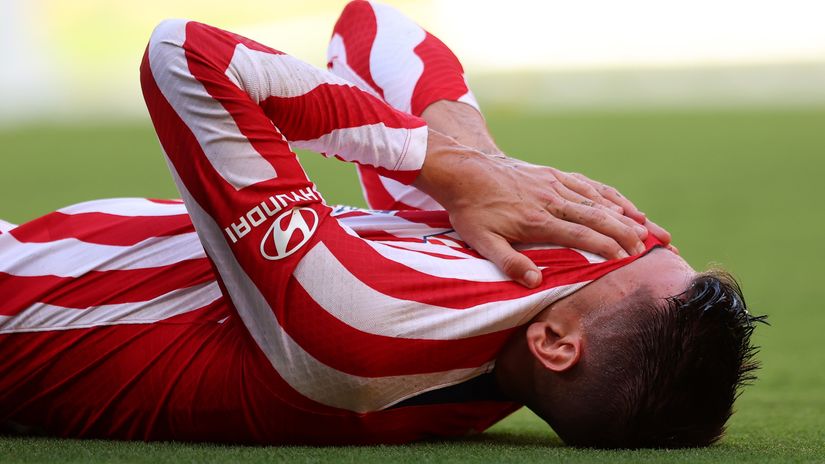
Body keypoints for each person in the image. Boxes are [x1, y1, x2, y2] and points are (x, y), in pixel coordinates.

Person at [0, 1, 763, 448]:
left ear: (557, 343)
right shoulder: (499, 310)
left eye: (621, 252)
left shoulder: (371, 334)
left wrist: (440, 158)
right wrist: (474, 158)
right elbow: (369, 27)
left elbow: (189, 55)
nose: (615, 226)